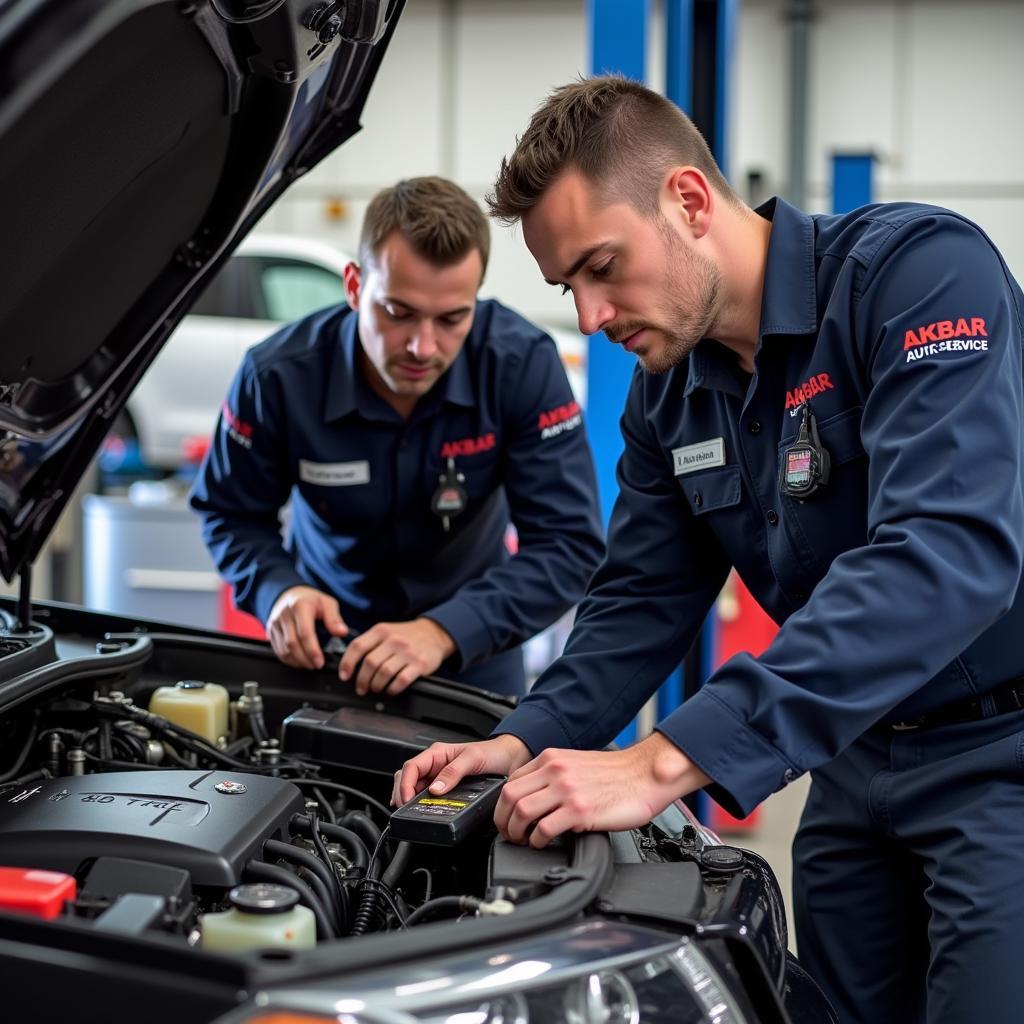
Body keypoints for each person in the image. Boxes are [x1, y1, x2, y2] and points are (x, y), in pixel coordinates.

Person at [395, 77, 1024, 1023]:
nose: (591, 319)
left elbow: (944, 552)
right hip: (851, 766)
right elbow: (641, 598)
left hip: (1001, 761)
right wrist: (521, 738)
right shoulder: (668, 400)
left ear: (688, 200)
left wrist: (660, 762)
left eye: (603, 266)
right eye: (571, 286)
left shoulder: (920, 277)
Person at [190, 176, 604, 699]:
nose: (421, 346)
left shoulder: (521, 365)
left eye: (452, 318)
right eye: (398, 312)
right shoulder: (277, 377)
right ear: (355, 286)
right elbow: (229, 511)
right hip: (328, 654)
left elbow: (568, 543)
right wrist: (279, 590)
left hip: (470, 657)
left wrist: (445, 630)